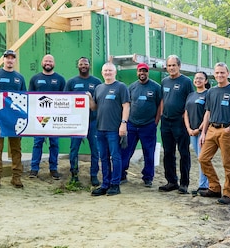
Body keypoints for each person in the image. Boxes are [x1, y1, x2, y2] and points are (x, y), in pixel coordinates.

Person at [199, 62, 230, 205]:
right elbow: (208, 112)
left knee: (227, 163)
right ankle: (214, 187)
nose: (219, 75)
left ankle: (228, 193)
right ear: (214, 74)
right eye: (217, 73)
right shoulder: (211, 91)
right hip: (212, 129)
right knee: (203, 159)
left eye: (222, 73)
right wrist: (203, 132)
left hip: (226, 131)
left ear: (228, 73)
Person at [0, 49, 27, 189]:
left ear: (15, 60)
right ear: (3, 59)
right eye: (7, 58)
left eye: (12, 58)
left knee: (16, 148)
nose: (10, 60)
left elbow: (24, 97)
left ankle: (16, 178)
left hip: (15, 119)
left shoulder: (19, 78)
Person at [89, 63, 129, 196]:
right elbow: (94, 107)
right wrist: (89, 98)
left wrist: (123, 123)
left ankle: (115, 184)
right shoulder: (99, 88)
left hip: (114, 129)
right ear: (102, 72)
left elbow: (126, 106)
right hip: (100, 129)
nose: (108, 73)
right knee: (104, 157)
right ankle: (105, 184)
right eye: (105, 70)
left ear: (115, 72)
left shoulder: (121, 87)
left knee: (115, 157)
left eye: (110, 70)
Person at [121, 62, 161, 188]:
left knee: (149, 152)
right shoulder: (132, 87)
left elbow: (160, 105)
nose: (142, 73)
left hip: (148, 125)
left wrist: (155, 122)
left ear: (148, 72)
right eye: (140, 71)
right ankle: (122, 174)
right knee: (126, 151)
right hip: (132, 125)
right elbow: (126, 105)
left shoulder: (155, 87)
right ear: (137, 72)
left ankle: (148, 178)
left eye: (144, 71)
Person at [64, 57, 102, 186]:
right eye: (81, 64)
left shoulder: (97, 82)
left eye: (86, 64)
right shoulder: (71, 82)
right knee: (74, 149)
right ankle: (74, 175)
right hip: (76, 122)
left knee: (95, 150)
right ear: (78, 66)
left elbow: (100, 102)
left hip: (92, 122)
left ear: (89, 65)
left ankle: (94, 175)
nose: (83, 66)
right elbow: (65, 101)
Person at [159, 55, 194, 194]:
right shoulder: (164, 81)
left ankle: (184, 183)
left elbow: (190, 101)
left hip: (180, 122)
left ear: (179, 66)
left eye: (174, 65)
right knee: (168, 153)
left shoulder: (186, 81)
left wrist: (186, 119)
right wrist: (162, 114)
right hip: (166, 122)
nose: (171, 68)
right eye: (169, 65)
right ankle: (171, 181)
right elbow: (162, 99)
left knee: (183, 152)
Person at [28, 54, 66, 180]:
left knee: (54, 143)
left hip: (55, 117)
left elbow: (65, 99)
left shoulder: (60, 79)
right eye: (46, 61)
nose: (48, 63)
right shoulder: (35, 79)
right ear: (42, 63)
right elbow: (30, 98)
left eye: (50, 61)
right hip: (39, 117)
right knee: (37, 143)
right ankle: (34, 169)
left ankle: (53, 169)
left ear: (54, 63)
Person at [183, 71, 210, 195]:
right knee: (200, 158)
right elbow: (186, 113)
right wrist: (189, 129)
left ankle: (204, 186)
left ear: (206, 81)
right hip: (192, 132)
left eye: (201, 78)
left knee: (202, 158)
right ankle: (203, 184)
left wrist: (199, 130)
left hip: (202, 132)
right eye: (196, 78)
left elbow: (207, 114)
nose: (198, 80)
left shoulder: (208, 94)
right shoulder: (191, 95)